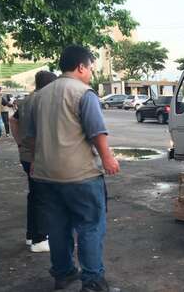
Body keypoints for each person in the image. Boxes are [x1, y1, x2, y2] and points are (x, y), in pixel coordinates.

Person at [28, 45, 120, 291]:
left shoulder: (40, 95)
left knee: (57, 228)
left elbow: (31, 136)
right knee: (90, 225)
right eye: (90, 67)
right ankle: (92, 281)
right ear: (81, 67)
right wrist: (108, 158)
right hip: (80, 176)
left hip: (46, 176)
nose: (90, 72)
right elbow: (96, 131)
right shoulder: (83, 93)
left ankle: (63, 273)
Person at [10, 71, 58, 253]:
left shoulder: (26, 100)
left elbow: (13, 122)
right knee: (44, 197)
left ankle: (31, 236)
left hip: (27, 155)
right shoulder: (43, 101)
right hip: (39, 156)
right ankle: (40, 238)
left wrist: (20, 143)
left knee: (35, 195)